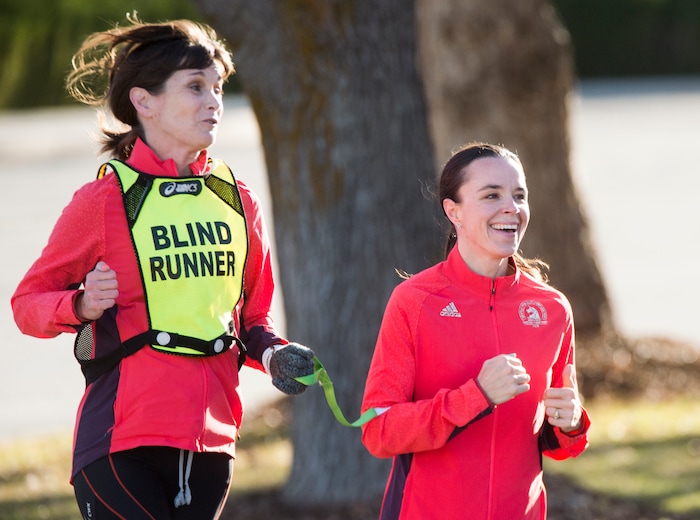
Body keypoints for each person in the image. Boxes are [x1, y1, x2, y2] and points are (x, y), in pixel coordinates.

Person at [11, 16, 314, 520]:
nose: (213, 101)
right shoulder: (103, 200)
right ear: (143, 101)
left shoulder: (239, 201)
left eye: (217, 87)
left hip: (213, 443)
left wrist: (276, 356)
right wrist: (80, 304)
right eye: (195, 87)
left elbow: (252, 322)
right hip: (121, 441)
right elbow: (26, 306)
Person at [360, 142, 590, 520]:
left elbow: (558, 441)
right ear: (454, 212)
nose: (511, 208)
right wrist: (475, 396)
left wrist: (573, 423)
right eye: (491, 195)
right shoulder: (414, 302)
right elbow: (378, 430)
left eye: (519, 195)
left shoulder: (552, 310)